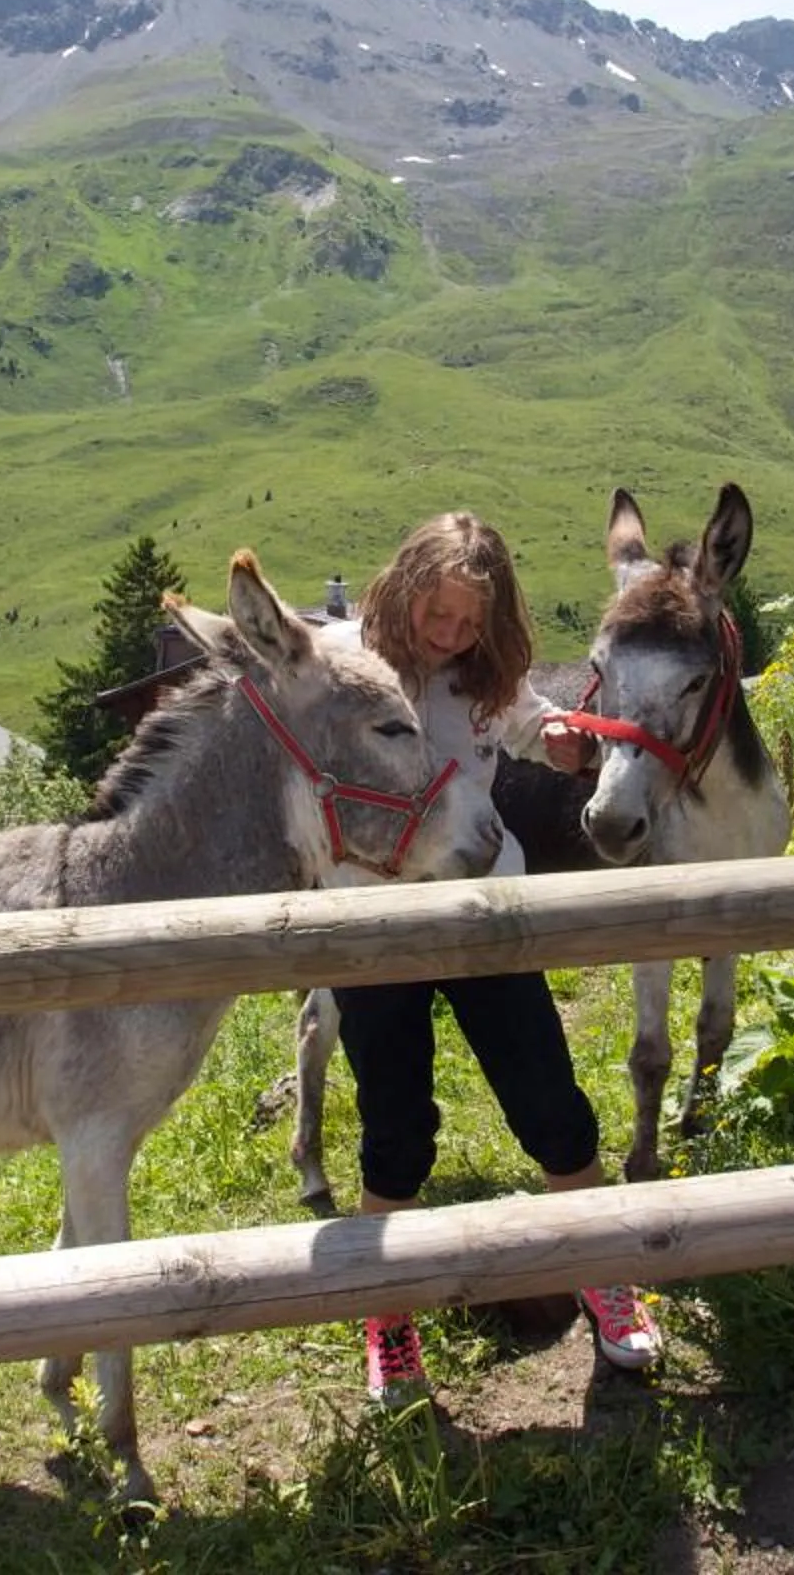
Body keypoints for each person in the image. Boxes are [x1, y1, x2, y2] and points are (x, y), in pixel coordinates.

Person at [316, 510, 663, 1406]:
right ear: (405, 590)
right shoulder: (345, 661)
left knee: (547, 1095)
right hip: (376, 919)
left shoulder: (483, 670)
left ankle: (602, 1274)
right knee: (396, 1126)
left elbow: (527, 722)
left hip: (482, 907)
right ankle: (388, 1319)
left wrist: (555, 740)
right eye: (440, 615)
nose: (453, 635)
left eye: (472, 621)